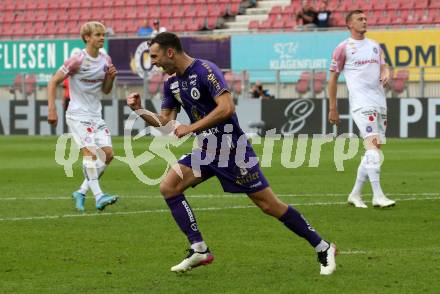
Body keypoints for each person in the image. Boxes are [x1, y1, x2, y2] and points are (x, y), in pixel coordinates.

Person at [126, 32, 337, 275]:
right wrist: (139, 110)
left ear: (170, 52)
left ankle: (323, 246)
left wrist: (191, 127)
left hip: (232, 150)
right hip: (205, 150)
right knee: (169, 187)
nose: (153, 62)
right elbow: (164, 123)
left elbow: (227, 108)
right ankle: (199, 249)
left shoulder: (205, 70)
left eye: (155, 56)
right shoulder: (171, 83)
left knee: (269, 205)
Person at [47, 21, 119, 212]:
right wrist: (52, 109)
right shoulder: (77, 59)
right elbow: (53, 81)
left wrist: (110, 78)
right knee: (90, 153)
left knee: (108, 155)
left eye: (103, 34)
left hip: (96, 114)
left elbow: (105, 90)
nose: (102, 38)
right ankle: (99, 196)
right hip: (77, 114)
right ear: (87, 37)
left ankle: (81, 191)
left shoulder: (106, 59)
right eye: (98, 35)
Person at [328, 10, 396, 208]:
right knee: (373, 148)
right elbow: (332, 79)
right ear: (349, 25)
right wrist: (333, 107)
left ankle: (355, 194)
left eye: (365, 18)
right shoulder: (343, 48)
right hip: (361, 103)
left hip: (380, 103)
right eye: (359, 19)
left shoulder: (375, 46)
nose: (364, 21)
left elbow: (384, 66)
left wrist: (386, 72)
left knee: (373, 151)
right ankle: (378, 196)